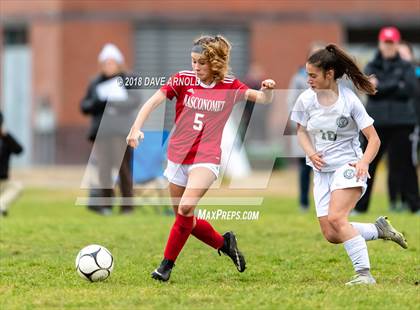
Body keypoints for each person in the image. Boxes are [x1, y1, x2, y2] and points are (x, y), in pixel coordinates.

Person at [126, 35, 275, 281]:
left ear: (215, 64)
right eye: (193, 61)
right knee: (184, 220)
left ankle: (165, 267)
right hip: (177, 156)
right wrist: (136, 127)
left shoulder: (229, 85)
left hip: (206, 158)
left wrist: (267, 91)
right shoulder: (183, 79)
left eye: (201, 63)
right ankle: (225, 243)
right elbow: (153, 101)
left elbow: (261, 99)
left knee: (185, 208)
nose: (195, 67)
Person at [291, 44, 407, 285]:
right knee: (331, 234)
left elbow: (374, 139)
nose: (308, 80)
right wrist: (311, 153)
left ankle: (364, 274)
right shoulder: (305, 99)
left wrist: (364, 163)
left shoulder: (349, 101)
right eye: (307, 74)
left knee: (337, 219)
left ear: (329, 74)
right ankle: (378, 230)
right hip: (322, 172)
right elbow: (300, 132)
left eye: (313, 75)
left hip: (349, 167)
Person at [355, 27, 419, 214]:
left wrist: (382, 86)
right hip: (377, 122)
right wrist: (394, 83)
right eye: (386, 43)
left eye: (392, 43)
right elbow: (370, 89)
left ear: (397, 44)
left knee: (406, 164)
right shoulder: (371, 66)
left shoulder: (407, 66)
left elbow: (408, 89)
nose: (389, 46)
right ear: (380, 44)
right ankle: (360, 206)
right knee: (369, 164)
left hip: (402, 122)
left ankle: (415, 205)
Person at [81, 43, 137, 215]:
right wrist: (100, 101)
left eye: (112, 62)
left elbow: (134, 100)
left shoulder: (128, 80)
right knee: (104, 168)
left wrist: (114, 100)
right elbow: (85, 105)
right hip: (102, 133)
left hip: (122, 133)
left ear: (119, 63)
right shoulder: (96, 83)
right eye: (106, 63)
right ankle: (106, 205)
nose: (109, 66)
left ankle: (127, 206)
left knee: (124, 169)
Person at [287, 42, 325, 212]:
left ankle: (325, 203)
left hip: (325, 130)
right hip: (306, 128)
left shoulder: (331, 78)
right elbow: (292, 101)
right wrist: (298, 121)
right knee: (305, 165)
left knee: (325, 165)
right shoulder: (300, 77)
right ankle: (303, 202)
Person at [0, 111, 24, 216]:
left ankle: (1, 206)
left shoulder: (5, 140)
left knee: (17, 187)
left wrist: (6, 136)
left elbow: (19, 150)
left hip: (3, 181)